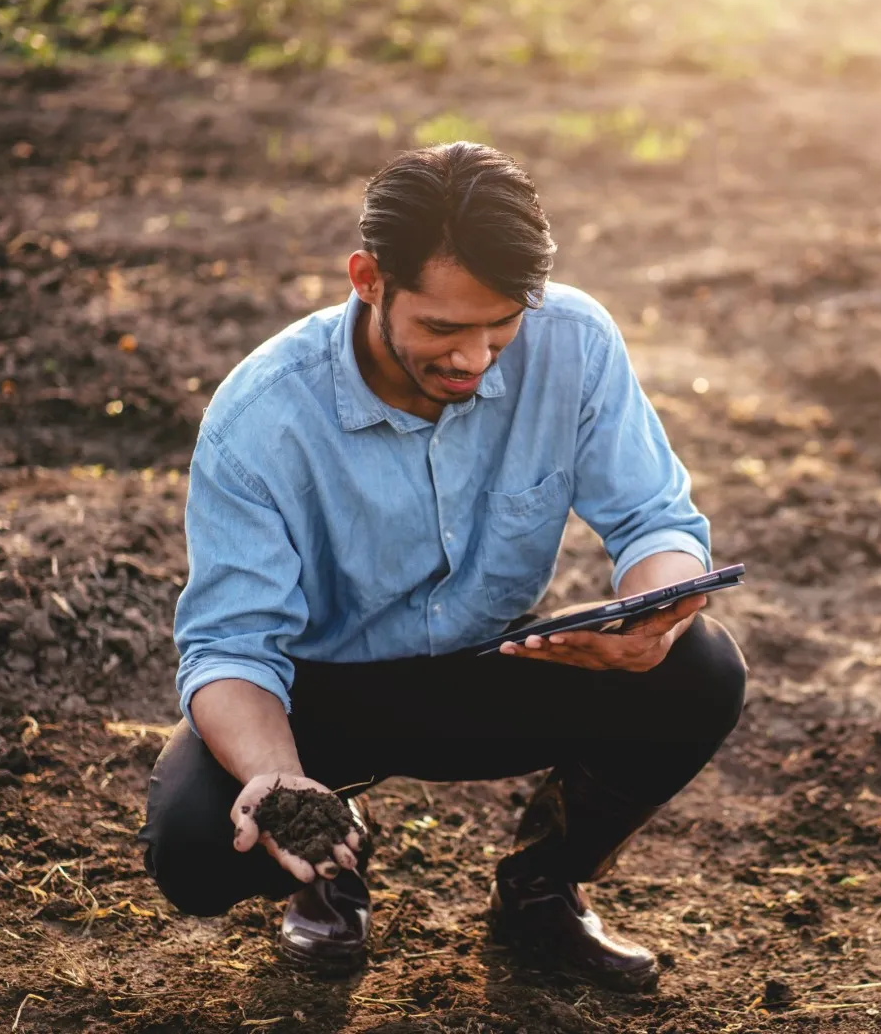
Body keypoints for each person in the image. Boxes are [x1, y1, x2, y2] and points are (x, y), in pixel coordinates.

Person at [136, 142, 748, 990]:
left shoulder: (573, 341)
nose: (475, 359)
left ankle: (541, 887)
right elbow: (232, 645)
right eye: (443, 328)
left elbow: (654, 518)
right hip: (322, 695)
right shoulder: (262, 416)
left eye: (501, 326)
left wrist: (651, 614)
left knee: (699, 666)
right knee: (197, 844)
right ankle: (329, 855)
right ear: (368, 279)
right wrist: (279, 779)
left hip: (487, 669)